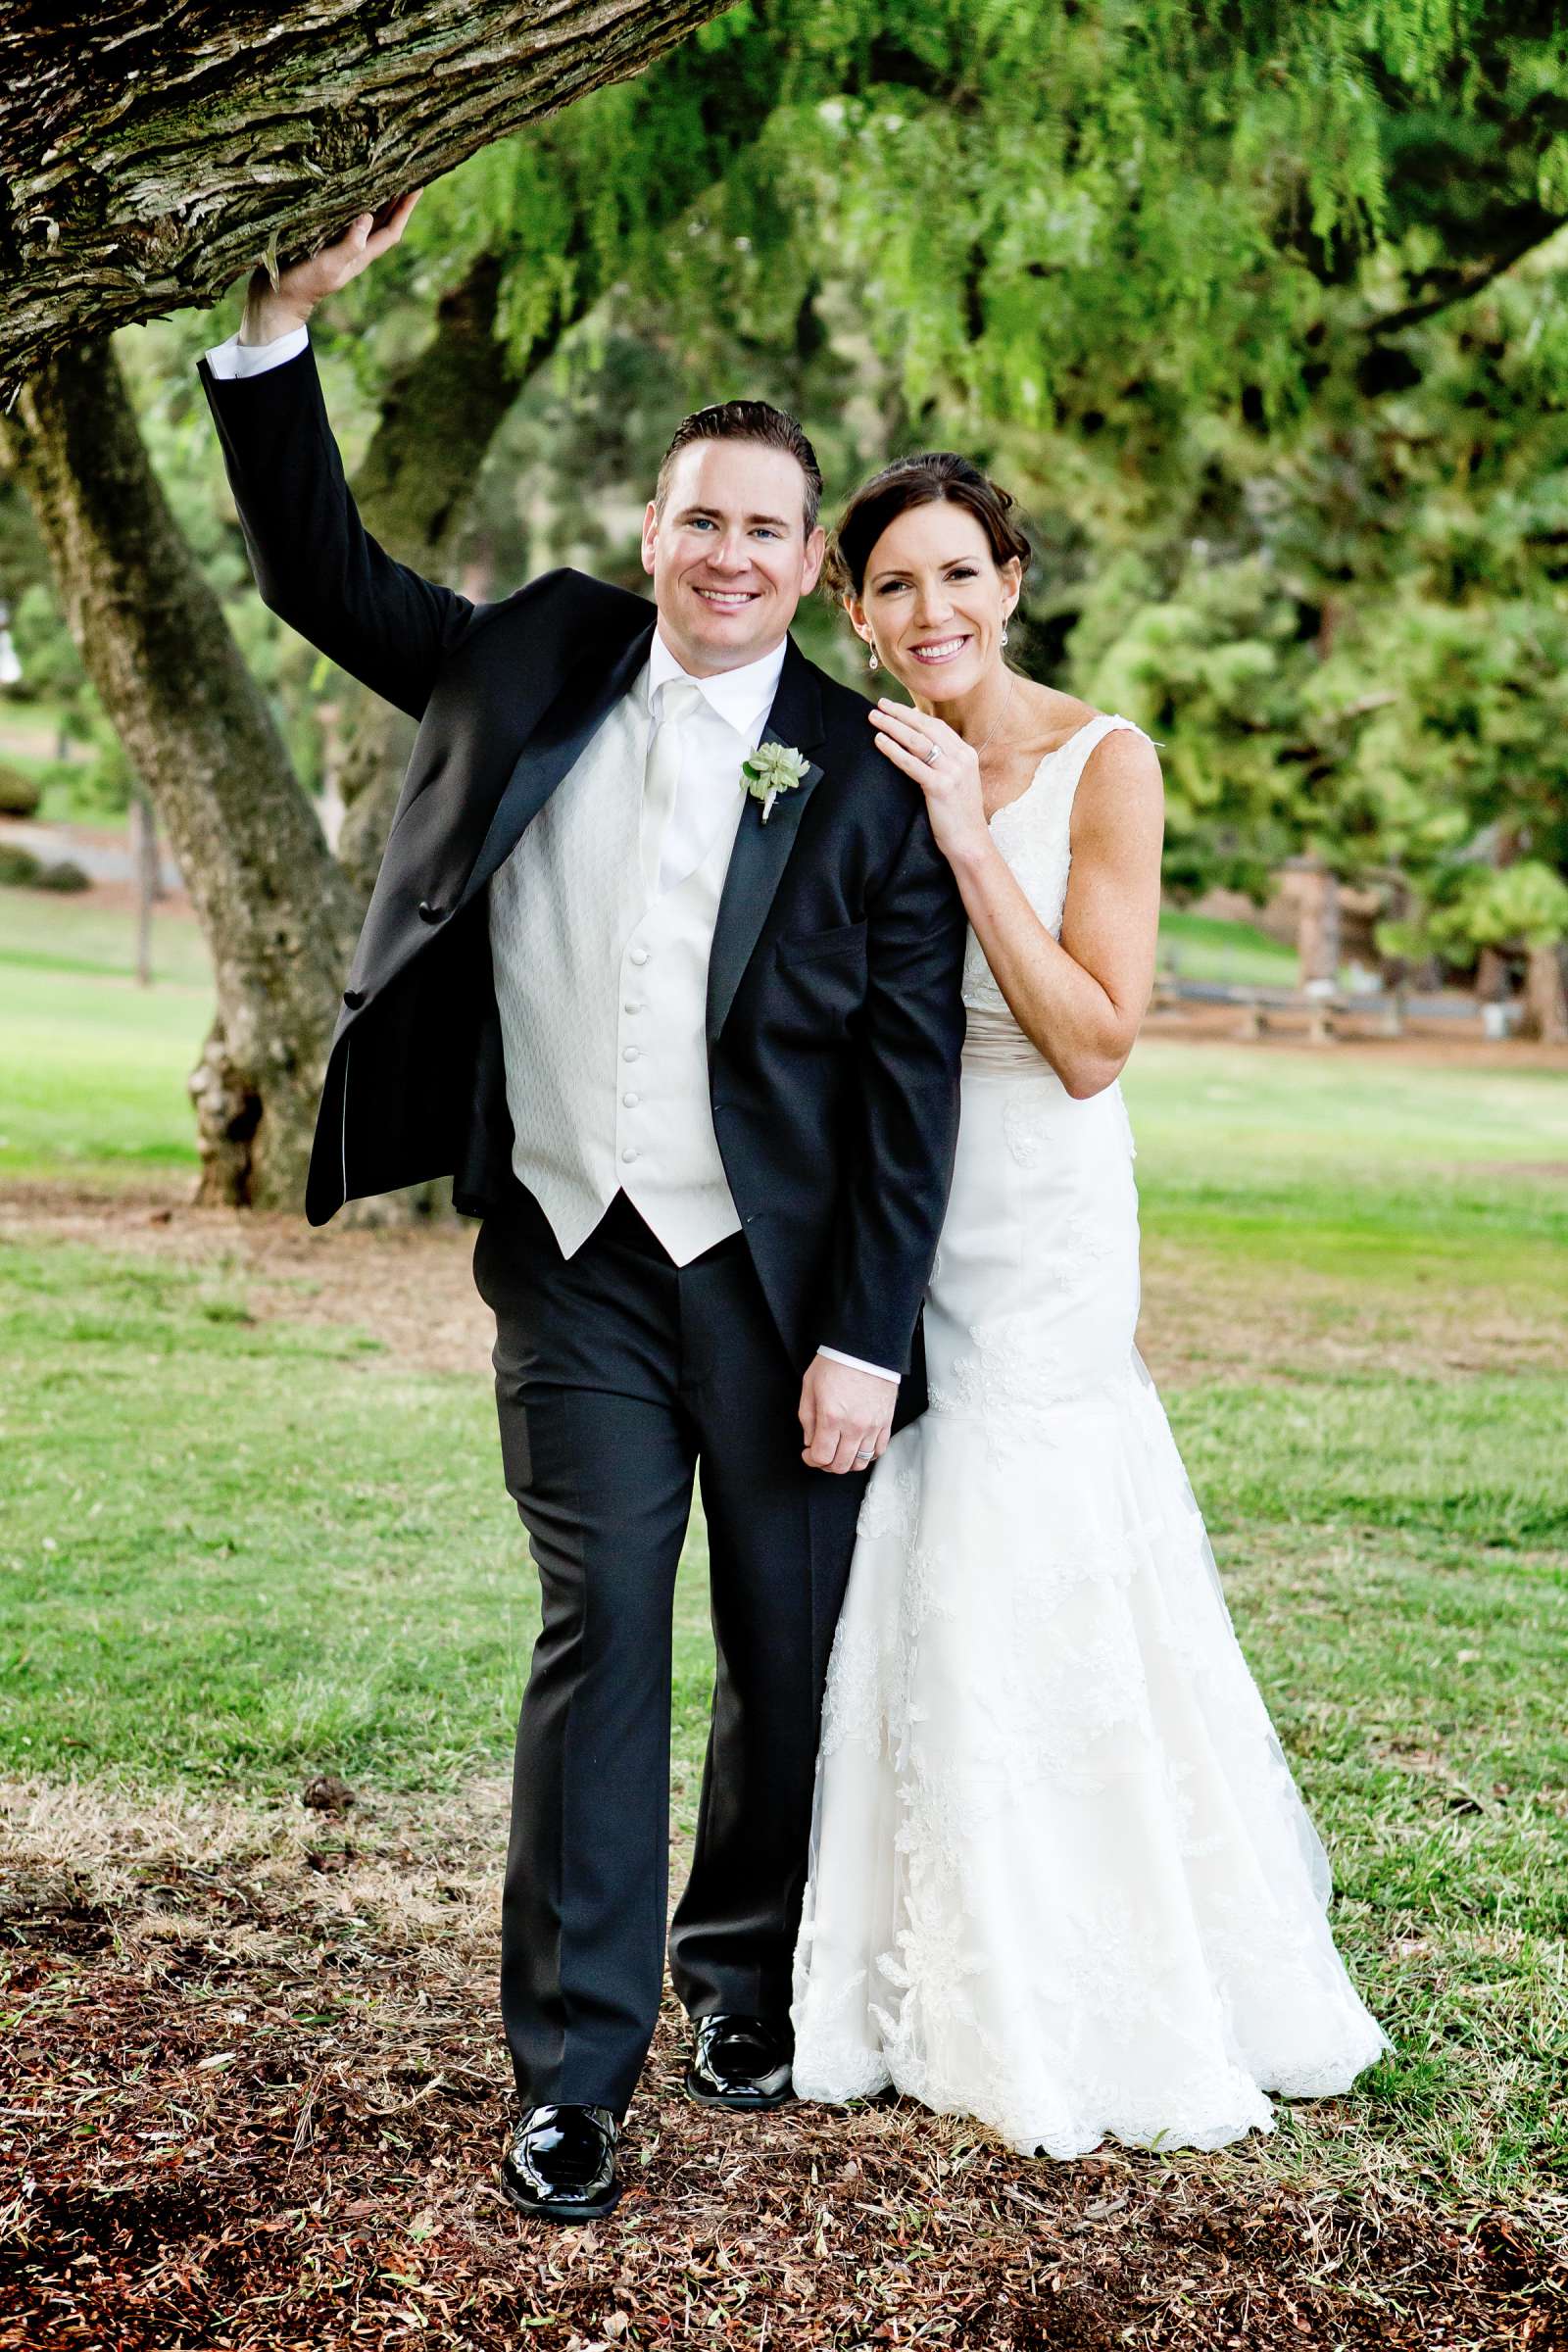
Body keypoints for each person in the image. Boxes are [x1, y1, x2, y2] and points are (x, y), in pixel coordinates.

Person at [198, 199, 966, 2220]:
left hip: (785, 1279)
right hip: (568, 1256)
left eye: (766, 533)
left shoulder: (864, 778)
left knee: (777, 1647)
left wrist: (865, 1338)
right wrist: (275, 328)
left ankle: (741, 1976)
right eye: (697, 519)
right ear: (650, 528)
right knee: (603, 1625)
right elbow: (312, 571)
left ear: (811, 570)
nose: (728, 556)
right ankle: (571, 2065)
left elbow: (905, 1096)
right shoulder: (525, 656)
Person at [789, 454, 1389, 2157]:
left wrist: (975, 835)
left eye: (959, 576)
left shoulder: (1104, 764)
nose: (932, 615)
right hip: (882, 1199)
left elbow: (1094, 1039)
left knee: (1016, 1522)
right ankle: (907, 1946)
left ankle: (1073, 1962)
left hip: (1038, 1214)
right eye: (894, 587)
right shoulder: (848, 752)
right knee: (907, 1530)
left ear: (1016, 577)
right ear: (855, 609)